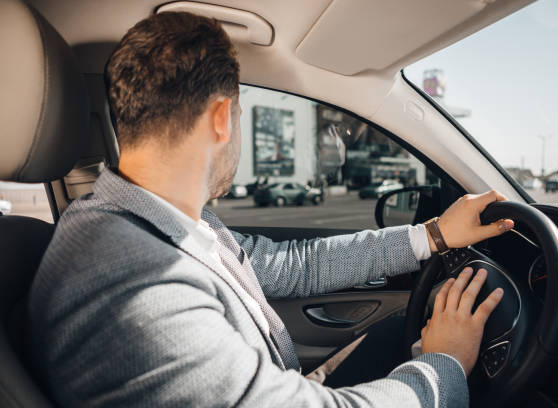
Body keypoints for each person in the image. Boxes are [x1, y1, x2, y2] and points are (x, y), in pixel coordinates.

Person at [27, 12, 514, 407]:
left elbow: (292, 265)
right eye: (238, 114)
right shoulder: (131, 281)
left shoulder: (163, 219)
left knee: (394, 331)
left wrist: (433, 234)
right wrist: (444, 365)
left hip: (283, 384)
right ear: (222, 118)